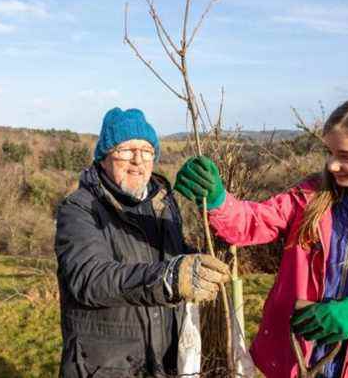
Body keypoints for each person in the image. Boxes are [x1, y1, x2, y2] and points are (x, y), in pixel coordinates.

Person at [174, 96, 348, 377]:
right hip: (296, 362)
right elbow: (252, 223)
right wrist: (219, 200)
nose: (331, 165)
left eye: (346, 156)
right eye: (328, 152)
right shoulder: (310, 199)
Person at [55, 107, 230, 377]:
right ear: (103, 158)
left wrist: (207, 256)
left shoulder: (162, 203)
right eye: (126, 149)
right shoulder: (79, 208)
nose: (138, 159)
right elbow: (89, 278)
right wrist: (169, 279)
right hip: (106, 366)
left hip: (164, 360)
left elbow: (173, 254)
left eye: (147, 150)